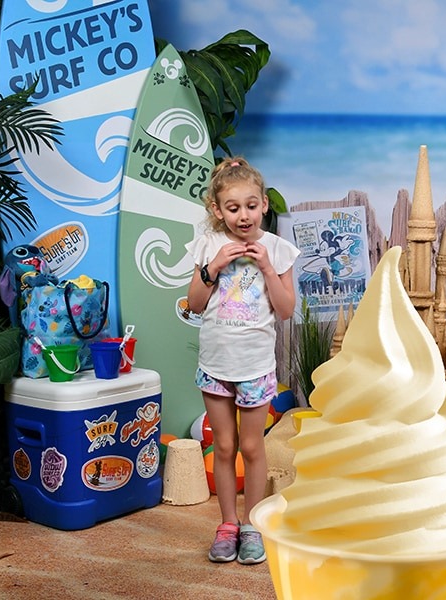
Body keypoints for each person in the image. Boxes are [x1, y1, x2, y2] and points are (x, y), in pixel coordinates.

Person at [185, 157, 300, 564]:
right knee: (223, 446)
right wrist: (213, 267)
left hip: (254, 367)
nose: (243, 215)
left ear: (264, 204)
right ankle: (227, 524)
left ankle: (252, 525)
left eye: (251, 205)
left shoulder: (278, 250)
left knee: (252, 446)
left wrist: (267, 267)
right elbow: (194, 305)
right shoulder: (208, 246)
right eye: (232, 208)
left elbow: (285, 310)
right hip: (216, 365)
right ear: (218, 210)